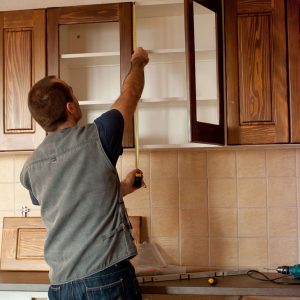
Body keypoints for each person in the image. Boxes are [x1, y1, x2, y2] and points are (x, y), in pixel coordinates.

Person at [20, 47, 149, 300]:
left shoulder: (31, 168)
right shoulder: (99, 136)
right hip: (106, 279)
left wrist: (120, 188)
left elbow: (71, 198)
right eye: (73, 92)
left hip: (62, 287)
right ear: (70, 106)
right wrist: (138, 62)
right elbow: (130, 92)